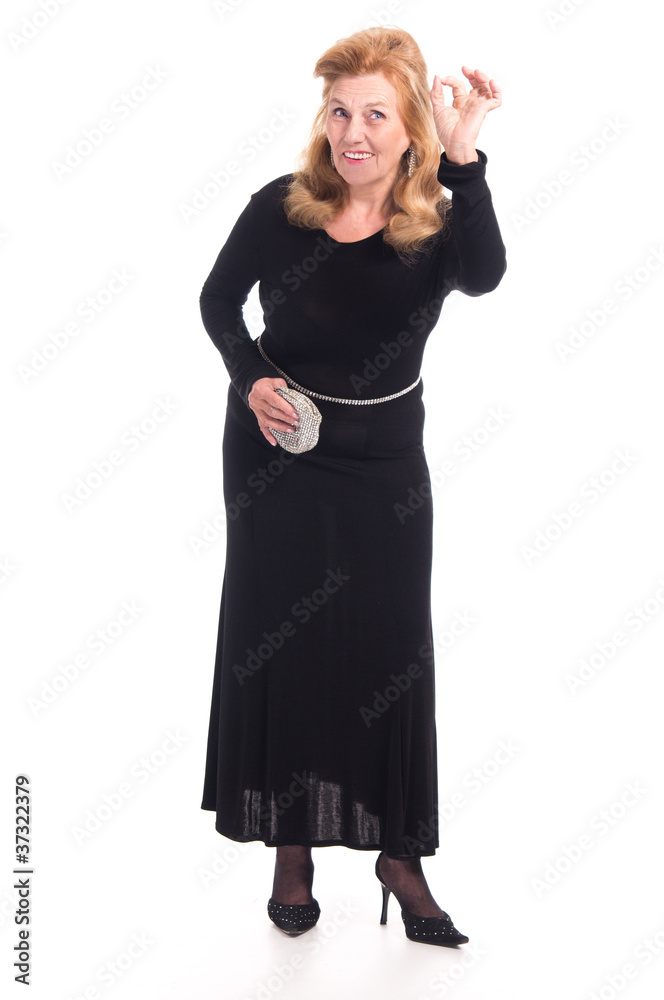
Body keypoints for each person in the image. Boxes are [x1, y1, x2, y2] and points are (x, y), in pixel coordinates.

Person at [199, 25, 506, 947]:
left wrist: (465, 158)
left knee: (389, 645)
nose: (352, 133)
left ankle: (399, 856)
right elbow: (217, 301)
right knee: (281, 641)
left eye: (375, 114)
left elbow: (486, 278)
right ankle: (291, 849)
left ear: (411, 126)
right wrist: (250, 376)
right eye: (339, 111)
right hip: (276, 449)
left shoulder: (438, 224)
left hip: (384, 462)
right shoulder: (281, 207)